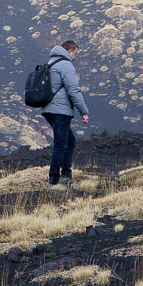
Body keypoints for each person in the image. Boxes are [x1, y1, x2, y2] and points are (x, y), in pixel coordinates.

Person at [40, 38, 90, 186]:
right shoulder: (65, 65)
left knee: (69, 141)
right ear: (69, 51)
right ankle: (55, 179)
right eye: (75, 53)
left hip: (48, 108)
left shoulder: (50, 63)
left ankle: (65, 173)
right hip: (60, 110)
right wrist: (84, 112)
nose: (75, 57)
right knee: (61, 143)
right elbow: (73, 90)